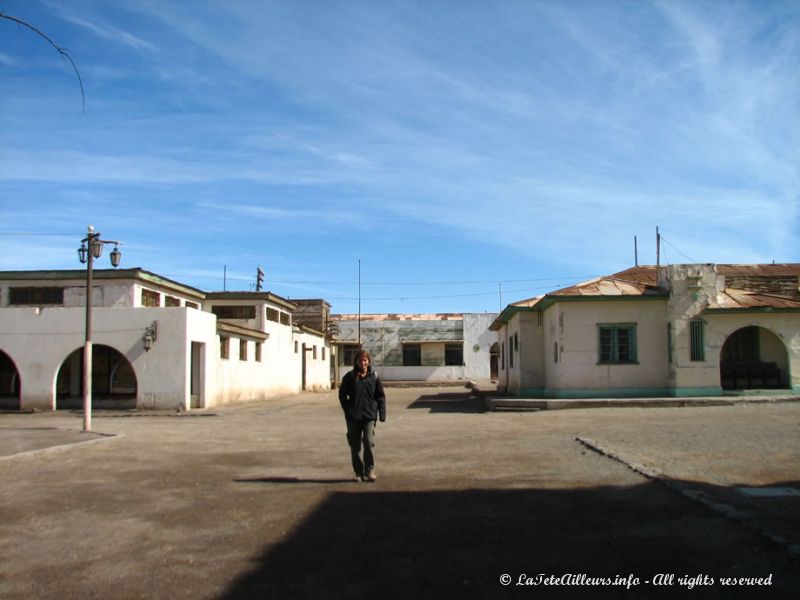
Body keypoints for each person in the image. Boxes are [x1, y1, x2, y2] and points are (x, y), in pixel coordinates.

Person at [338, 349, 386, 482]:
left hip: (369, 416)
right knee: (355, 445)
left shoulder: (374, 377)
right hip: (353, 417)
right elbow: (342, 395)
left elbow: (380, 396)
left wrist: (381, 414)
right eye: (360, 360)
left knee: (369, 442)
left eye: (365, 360)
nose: (363, 363)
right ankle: (358, 472)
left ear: (369, 361)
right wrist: (347, 409)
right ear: (356, 362)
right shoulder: (350, 377)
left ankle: (369, 471)